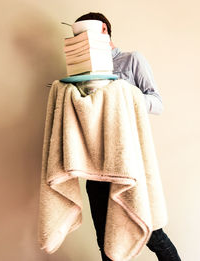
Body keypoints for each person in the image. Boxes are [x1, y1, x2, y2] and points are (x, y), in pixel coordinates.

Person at [74, 12, 182, 261]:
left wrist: (122, 95)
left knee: (153, 234)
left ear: (103, 31)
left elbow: (157, 103)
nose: (79, 44)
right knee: (107, 243)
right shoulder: (82, 72)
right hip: (97, 167)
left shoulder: (132, 60)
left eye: (82, 36)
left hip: (130, 164)